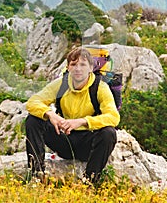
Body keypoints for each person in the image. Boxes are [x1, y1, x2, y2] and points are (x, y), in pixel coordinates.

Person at [25, 46, 120, 183]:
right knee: (33, 120)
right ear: (68, 67)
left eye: (83, 64)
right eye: (73, 64)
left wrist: (82, 121)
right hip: (64, 138)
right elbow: (33, 102)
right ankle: (37, 175)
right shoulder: (62, 84)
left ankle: (89, 181)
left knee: (108, 133)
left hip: (88, 143)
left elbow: (113, 116)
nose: (78, 68)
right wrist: (51, 115)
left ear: (90, 68)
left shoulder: (100, 88)